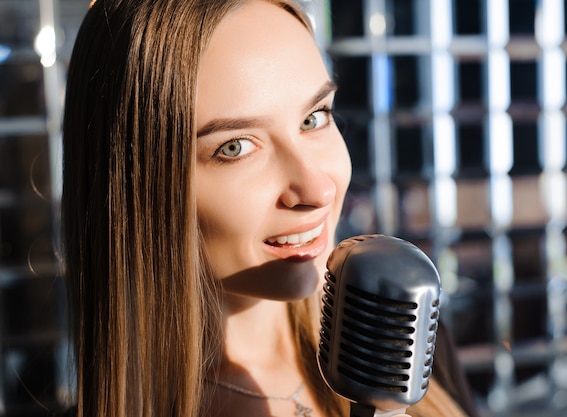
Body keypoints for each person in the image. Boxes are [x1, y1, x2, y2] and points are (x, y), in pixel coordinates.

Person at [61, 1, 479, 417]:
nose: (317, 188)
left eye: (314, 118)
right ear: (134, 186)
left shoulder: (400, 342)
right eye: (235, 147)